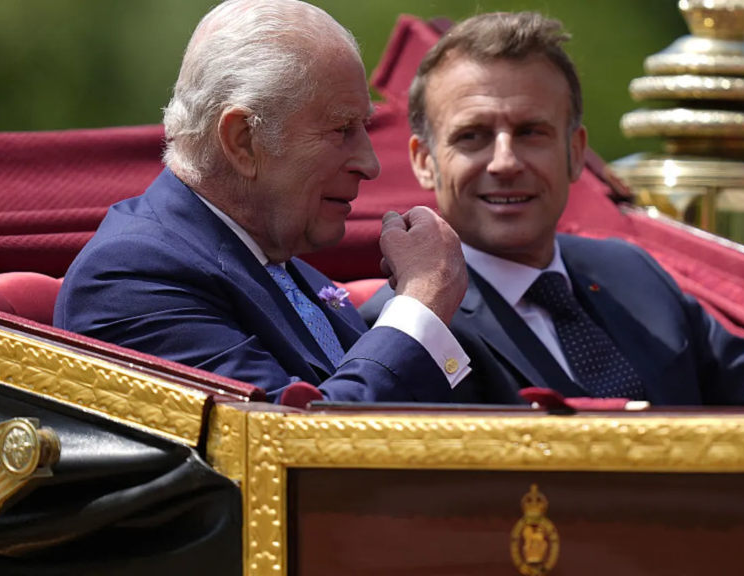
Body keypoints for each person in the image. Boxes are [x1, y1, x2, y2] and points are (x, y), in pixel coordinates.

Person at [361, 11, 744, 408]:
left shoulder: (633, 277)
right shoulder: (406, 326)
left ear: (576, 152)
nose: (506, 161)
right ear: (424, 161)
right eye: (473, 137)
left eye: (532, 131)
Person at [55, 0, 473, 404]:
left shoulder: (278, 261)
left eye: (364, 126)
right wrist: (421, 304)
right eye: (342, 128)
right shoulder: (130, 280)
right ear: (243, 140)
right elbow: (299, 449)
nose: (370, 164)